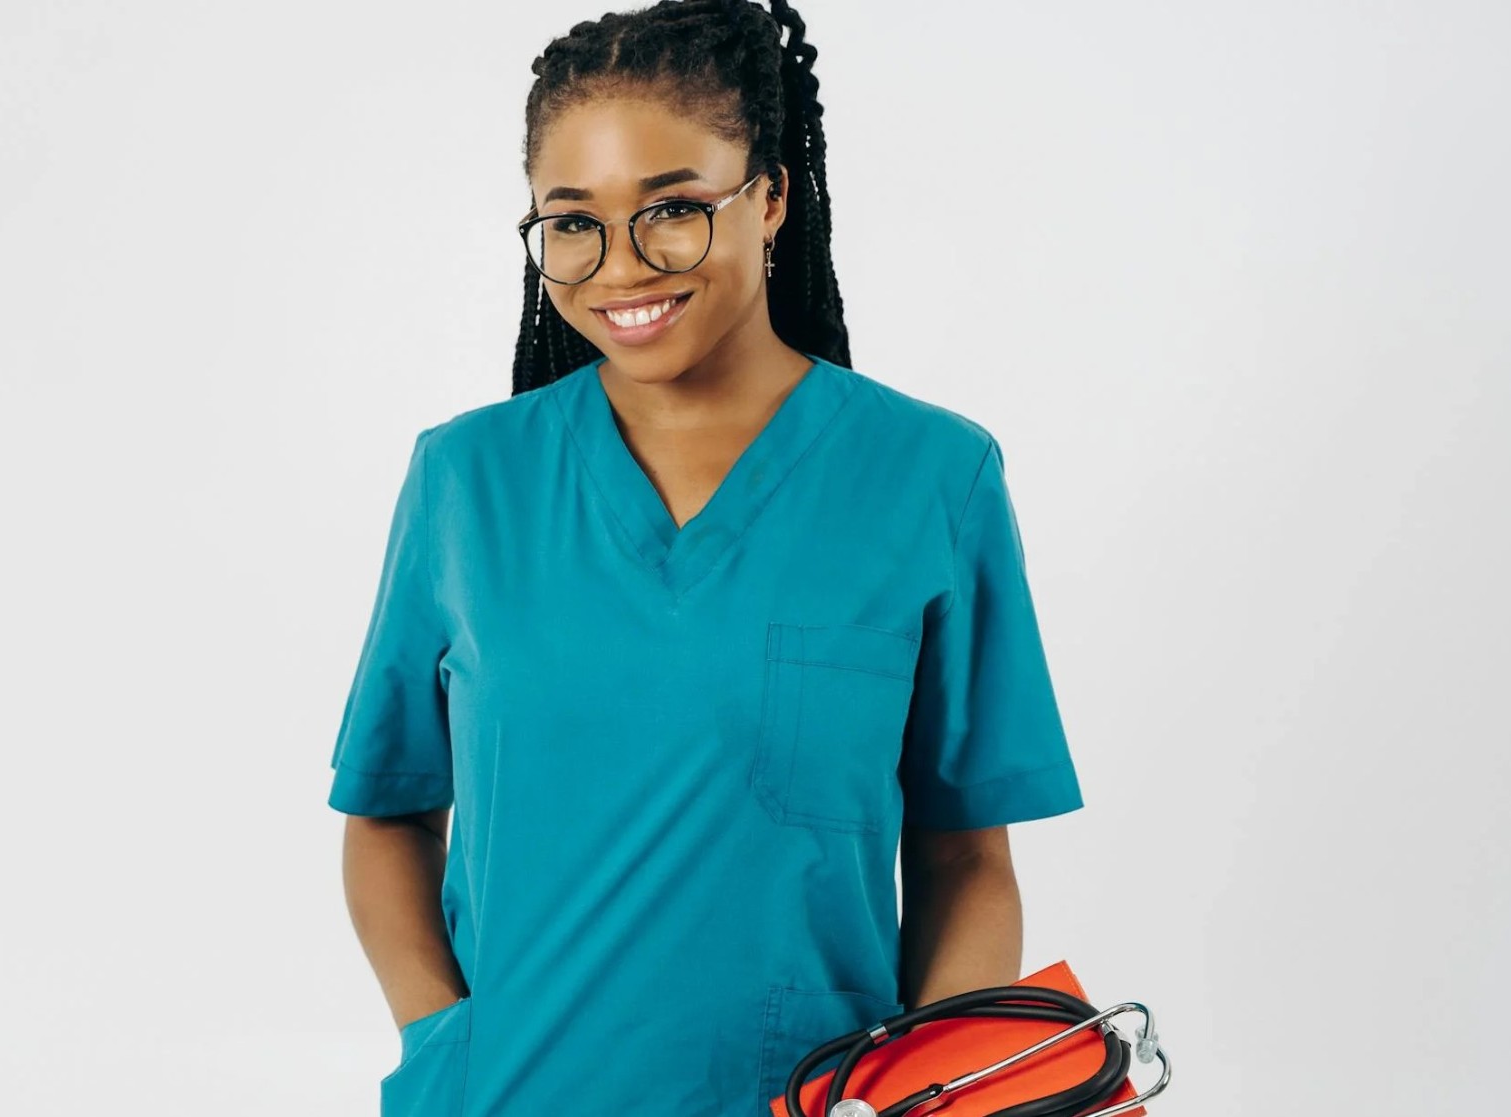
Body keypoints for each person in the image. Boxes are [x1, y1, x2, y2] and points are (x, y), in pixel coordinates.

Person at [327, 1, 1085, 1112]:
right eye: (572, 222)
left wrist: (921, 1098)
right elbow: (387, 812)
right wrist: (447, 1042)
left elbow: (966, 859)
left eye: (674, 209)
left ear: (771, 197)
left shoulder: (931, 475)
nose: (621, 267)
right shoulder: (466, 480)